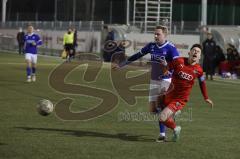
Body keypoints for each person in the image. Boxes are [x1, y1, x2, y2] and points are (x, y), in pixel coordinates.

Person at [112, 25, 180, 142]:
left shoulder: (171, 48)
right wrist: (121, 64)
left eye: (158, 34)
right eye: (154, 34)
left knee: (160, 106)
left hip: (166, 80)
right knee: (153, 109)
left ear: (165, 35)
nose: (155, 36)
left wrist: (166, 66)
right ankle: (173, 114)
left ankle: (163, 134)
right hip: (154, 80)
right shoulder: (151, 46)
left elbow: (178, 65)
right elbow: (137, 55)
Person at [158, 44, 213, 142]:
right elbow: (168, 69)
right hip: (169, 93)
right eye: (194, 50)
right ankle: (175, 121)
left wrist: (206, 97)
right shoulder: (179, 61)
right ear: (189, 53)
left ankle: (175, 128)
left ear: (200, 57)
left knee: (162, 117)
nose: (195, 52)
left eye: (198, 51)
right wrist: (165, 70)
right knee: (162, 114)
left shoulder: (199, 70)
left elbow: (202, 83)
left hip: (180, 99)